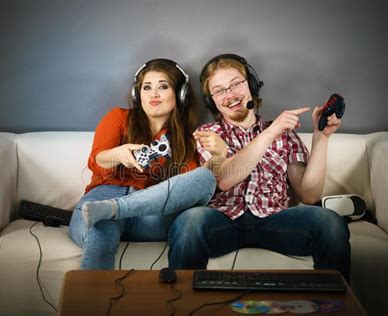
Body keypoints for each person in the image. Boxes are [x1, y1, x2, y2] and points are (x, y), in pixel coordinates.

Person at [167, 54, 351, 281]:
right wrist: (270, 132)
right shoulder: (208, 134)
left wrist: (321, 137)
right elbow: (225, 179)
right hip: (222, 220)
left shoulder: (286, 136)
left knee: (330, 221)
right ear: (211, 100)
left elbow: (309, 194)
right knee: (189, 221)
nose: (230, 95)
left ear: (251, 85)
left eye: (236, 84)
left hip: (274, 221)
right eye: (220, 90)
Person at [69, 58, 216, 270]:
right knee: (100, 228)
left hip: (150, 214)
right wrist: (116, 155)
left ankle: (113, 209)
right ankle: (94, 302)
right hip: (103, 198)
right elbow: (96, 161)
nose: (153, 94)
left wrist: (218, 157)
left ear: (181, 94)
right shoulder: (118, 117)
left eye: (163, 86)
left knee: (204, 177)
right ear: (137, 94)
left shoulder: (188, 139)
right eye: (147, 87)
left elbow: (187, 189)